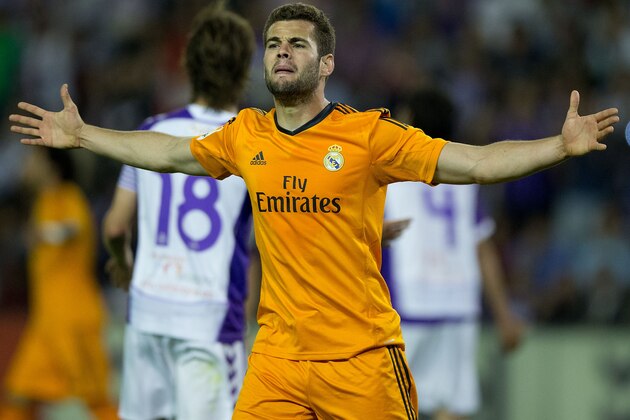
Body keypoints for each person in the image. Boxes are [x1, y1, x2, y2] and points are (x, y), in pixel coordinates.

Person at [8, 3, 619, 419]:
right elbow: (167, 152)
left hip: (361, 359)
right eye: (273, 43)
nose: (281, 52)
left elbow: (479, 163)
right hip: (276, 358)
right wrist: (84, 135)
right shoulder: (247, 134)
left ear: (325, 64)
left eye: (296, 44)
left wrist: (557, 146)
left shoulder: (369, 136)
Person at [101, 4, 255, 420]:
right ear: (244, 70)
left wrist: (124, 263)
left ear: (188, 64)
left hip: (147, 313)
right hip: (207, 321)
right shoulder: (251, 145)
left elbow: (116, 225)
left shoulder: (152, 131)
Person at [381, 88, 524, 420]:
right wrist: (503, 313)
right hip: (459, 304)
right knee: (452, 407)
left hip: (406, 307)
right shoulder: (465, 177)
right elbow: (483, 249)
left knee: (389, 405)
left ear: (411, 121)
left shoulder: (389, 171)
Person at [0, 148, 118, 420]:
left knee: (96, 398)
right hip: (46, 322)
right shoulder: (43, 201)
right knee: (18, 393)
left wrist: (47, 233)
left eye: (33, 159)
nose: (26, 164)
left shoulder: (68, 195)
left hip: (73, 320)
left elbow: (73, 227)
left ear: (50, 166)